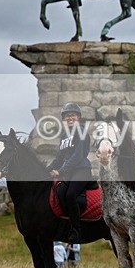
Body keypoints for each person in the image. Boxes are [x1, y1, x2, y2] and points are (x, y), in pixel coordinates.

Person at [47, 102, 93, 244]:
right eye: (67, 116)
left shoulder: (81, 131)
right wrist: (47, 170)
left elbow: (78, 156)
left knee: (70, 194)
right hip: (69, 173)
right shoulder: (64, 135)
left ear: (78, 117)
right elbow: (59, 157)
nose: (69, 118)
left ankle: (77, 231)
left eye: (72, 115)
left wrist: (61, 171)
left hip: (81, 170)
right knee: (60, 193)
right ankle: (65, 226)